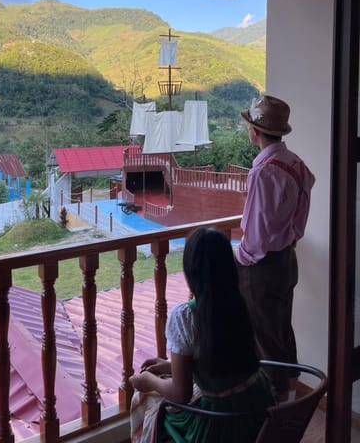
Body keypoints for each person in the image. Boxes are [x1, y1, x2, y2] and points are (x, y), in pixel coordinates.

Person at [129, 227, 274, 443]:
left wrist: (148, 380)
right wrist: (170, 365)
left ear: (191, 271)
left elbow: (181, 394)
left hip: (219, 422)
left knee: (146, 401)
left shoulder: (185, 316)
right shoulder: (240, 302)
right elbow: (220, 357)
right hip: (259, 408)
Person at [236, 94, 315, 400]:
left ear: (255, 131)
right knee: (281, 330)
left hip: (263, 266)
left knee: (263, 338)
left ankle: (275, 409)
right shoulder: (296, 165)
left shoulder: (262, 171)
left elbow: (255, 237)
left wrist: (237, 258)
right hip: (287, 260)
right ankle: (289, 398)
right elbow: (299, 215)